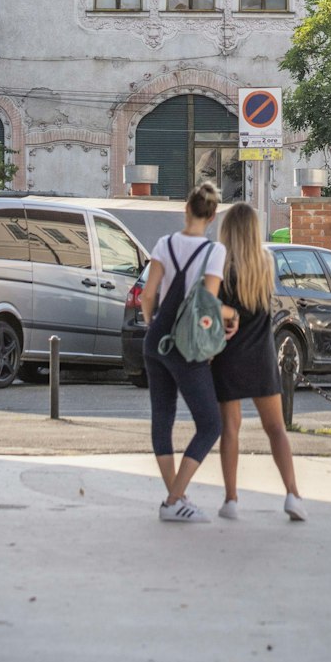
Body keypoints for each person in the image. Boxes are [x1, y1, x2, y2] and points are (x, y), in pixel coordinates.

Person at [140, 180, 237, 524]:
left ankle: (175, 498)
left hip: (156, 343)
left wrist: (154, 325)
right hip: (186, 347)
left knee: (161, 420)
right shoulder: (214, 252)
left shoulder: (164, 244)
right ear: (212, 217)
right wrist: (233, 314)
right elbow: (207, 306)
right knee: (210, 424)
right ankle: (174, 500)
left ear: (186, 209)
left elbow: (147, 296)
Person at [212, 200, 306, 523]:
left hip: (227, 355)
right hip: (261, 355)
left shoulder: (221, 267)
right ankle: (293, 494)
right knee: (276, 428)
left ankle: (231, 499)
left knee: (230, 428)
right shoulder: (266, 263)